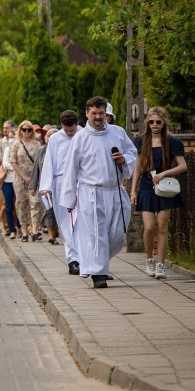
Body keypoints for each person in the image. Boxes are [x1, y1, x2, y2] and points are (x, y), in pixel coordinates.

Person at [58, 97, 137, 289]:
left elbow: (133, 152)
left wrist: (123, 159)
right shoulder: (80, 137)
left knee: (118, 234)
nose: (98, 117)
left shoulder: (118, 133)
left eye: (101, 113)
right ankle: (98, 273)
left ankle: (95, 262)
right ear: (87, 114)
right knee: (96, 234)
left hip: (115, 190)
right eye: (93, 113)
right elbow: (71, 170)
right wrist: (70, 200)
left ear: (106, 114)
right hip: (90, 192)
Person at [130, 107, 187, 280]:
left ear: (163, 123)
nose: (155, 125)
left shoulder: (172, 142)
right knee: (149, 227)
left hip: (164, 186)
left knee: (162, 227)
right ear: (147, 122)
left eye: (158, 122)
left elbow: (183, 166)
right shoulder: (141, 140)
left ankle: (161, 265)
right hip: (147, 186)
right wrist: (133, 191)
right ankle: (149, 260)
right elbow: (138, 167)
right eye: (151, 121)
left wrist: (165, 173)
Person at [39, 111, 84, 275]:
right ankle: (73, 260)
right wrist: (46, 186)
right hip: (60, 182)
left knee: (81, 221)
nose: (70, 134)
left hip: (81, 181)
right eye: (67, 131)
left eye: (72, 130)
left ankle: (85, 258)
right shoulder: (55, 139)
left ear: (77, 123)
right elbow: (49, 162)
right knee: (66, 223)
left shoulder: (84, 134)